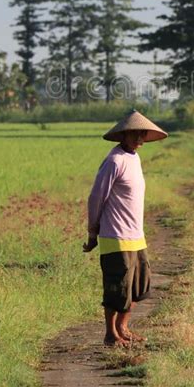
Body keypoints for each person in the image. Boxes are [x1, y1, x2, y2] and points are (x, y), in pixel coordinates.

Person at [83, 109, 168, 347]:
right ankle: (110, 334)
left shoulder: (134, 158)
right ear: (123, 135)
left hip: (136, 236)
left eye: (142, 135)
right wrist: (93, 232)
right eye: (135, 135)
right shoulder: (114, 160)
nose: (140, 140)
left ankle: (123, 327)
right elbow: (96, 198)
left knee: (138, 287)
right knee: (116, 288)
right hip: (115, 237)